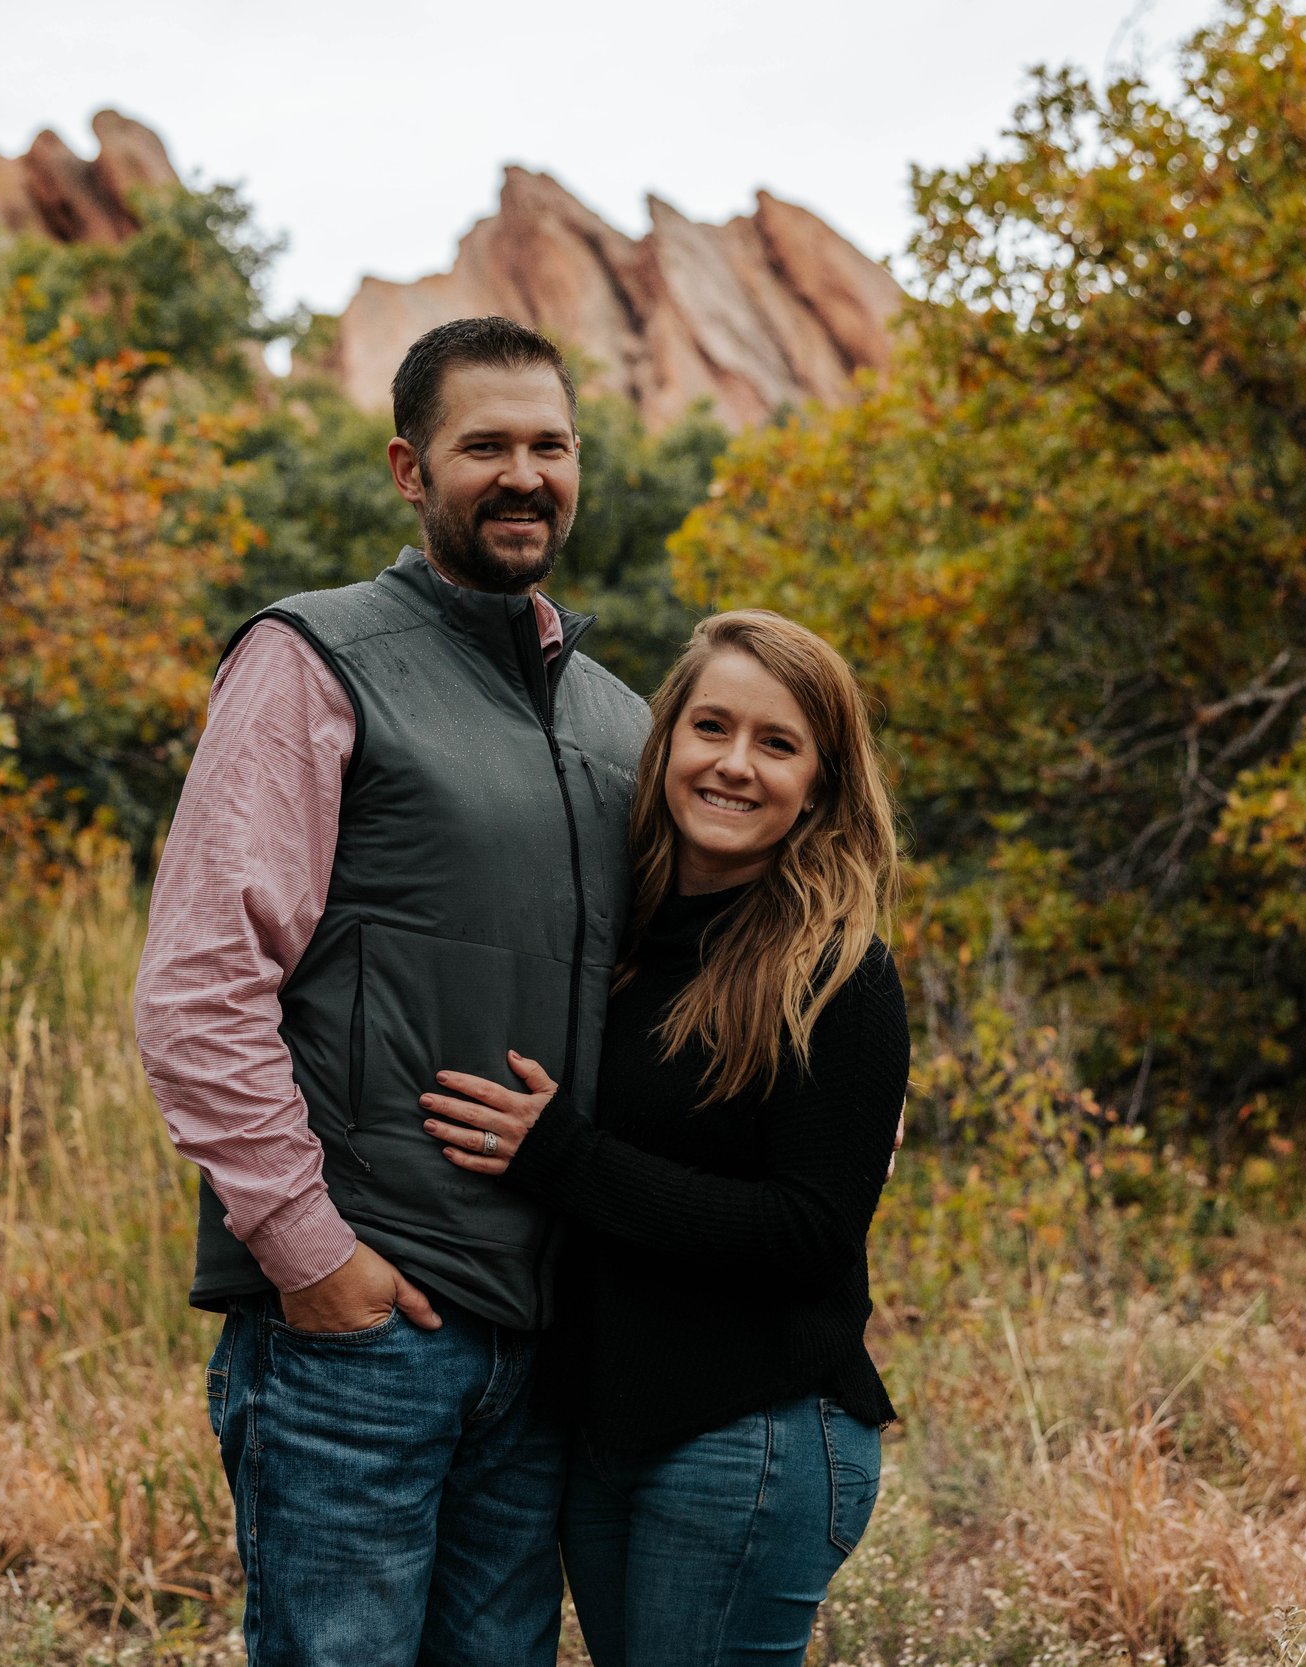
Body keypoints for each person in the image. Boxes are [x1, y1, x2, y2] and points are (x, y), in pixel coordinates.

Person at [133, 316, 650, 1667]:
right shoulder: (312, 661)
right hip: (363, 1334)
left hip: (542, 1338)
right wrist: (313, 1256)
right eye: (487, 445)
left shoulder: (619, 718)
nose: (524, 473)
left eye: (551, 444)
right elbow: (198, 985)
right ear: (411, 469)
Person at [417, 609, 909, 1667]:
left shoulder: (835, 972)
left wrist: (565, 1156)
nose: (734, 765)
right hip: (609, 1436)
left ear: (820, 782)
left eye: (776, 744)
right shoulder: (620, 935)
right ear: (665, 743)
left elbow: (809, 1229)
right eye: (711, 727)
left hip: (754, 1433)